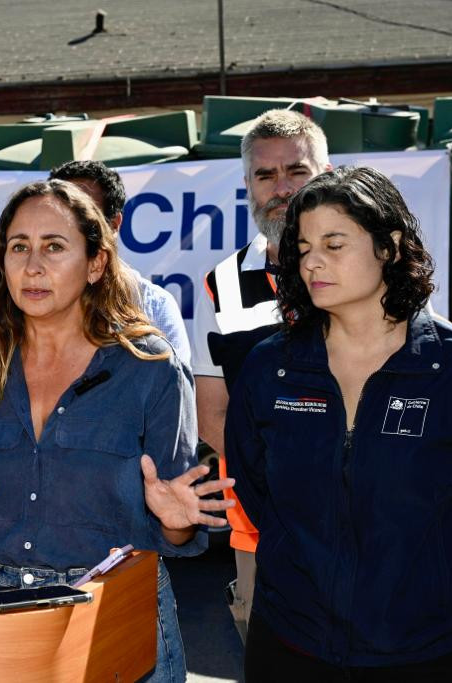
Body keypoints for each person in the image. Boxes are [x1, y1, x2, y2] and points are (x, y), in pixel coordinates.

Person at [0, 180, 234, 682]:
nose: (32, 266)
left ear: (96, 264)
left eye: (54, 247)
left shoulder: (149, 368)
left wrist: (175, 521)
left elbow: (177, 525)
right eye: (19, 247)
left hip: (114, 604)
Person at [225, 166, 452, 681]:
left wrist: (427, 586)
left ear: (390, 246)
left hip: (432, 653)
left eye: (334, 244)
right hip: (292, 644)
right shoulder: (270, 369)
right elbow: (259, 494)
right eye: (303, 246)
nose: (312, 260)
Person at [190, 109, 332, 639]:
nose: (282, 188)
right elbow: (213, 417)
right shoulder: (220, 285)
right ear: (248, 184)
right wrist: (283, 499)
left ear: (327, 173)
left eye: (297, 171)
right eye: (265, 175)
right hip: (262, 535)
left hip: (373, 529)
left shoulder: (373, 265)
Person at [49, 160, 191, 365]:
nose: (70, 228)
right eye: (60, 215)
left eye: (85, 217)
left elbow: (176, 388)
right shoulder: (19, 298)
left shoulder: (153, 306)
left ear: (114, 225)